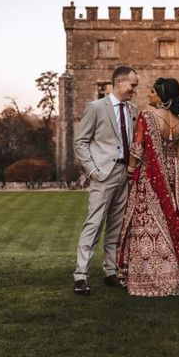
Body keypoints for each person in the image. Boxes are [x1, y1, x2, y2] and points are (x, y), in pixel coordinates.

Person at [117, 77, 179, 296]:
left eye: (152, 92)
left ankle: (154, 279)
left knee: (150, 221)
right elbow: (178, 156)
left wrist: (131, 171)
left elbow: (137, 149)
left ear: (162, 96)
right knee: (177, 220)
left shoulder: (148, 116)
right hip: (174, 176)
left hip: (152, 175)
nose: (148, 95)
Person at [72, 66, 139, 296]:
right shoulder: (96, 107)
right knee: (94, 224)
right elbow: (80, 141)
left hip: (124, 174)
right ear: (119, 83)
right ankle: (80, 276)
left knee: (116, 227)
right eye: (132, 85)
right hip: (103, 174)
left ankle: (110, 272)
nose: (134, 90)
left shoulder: (133, 110)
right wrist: (93, 171)